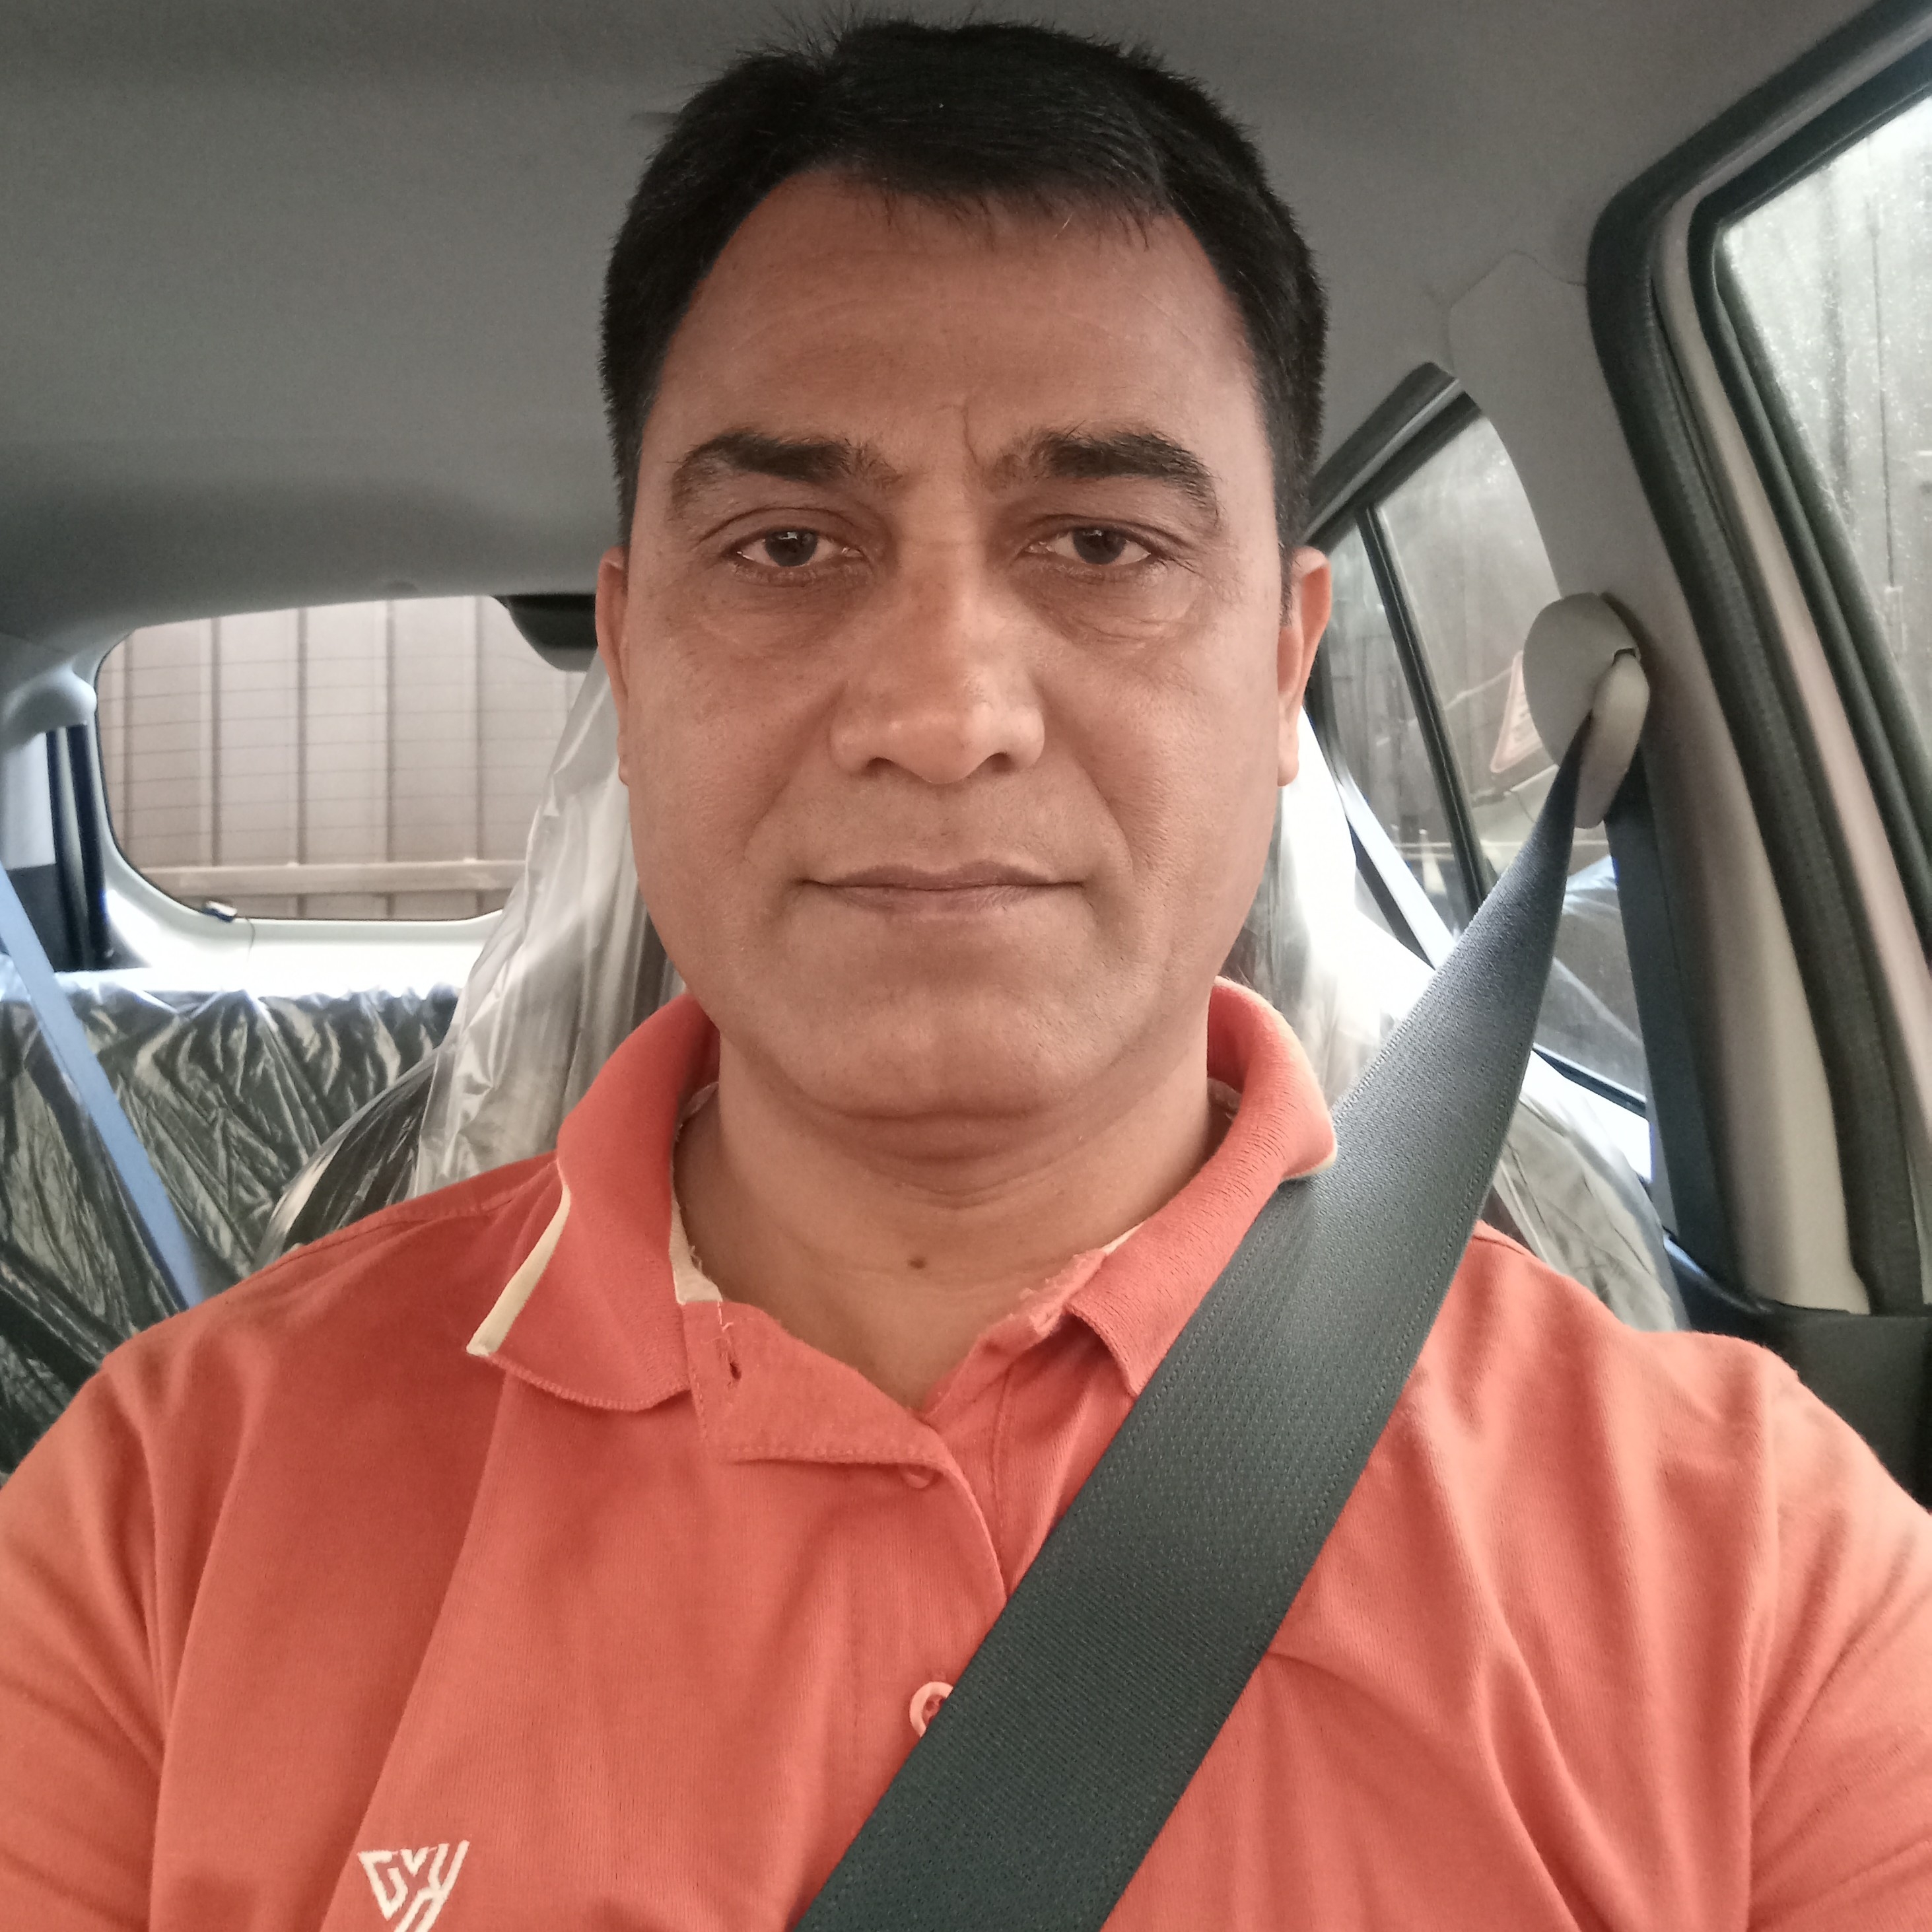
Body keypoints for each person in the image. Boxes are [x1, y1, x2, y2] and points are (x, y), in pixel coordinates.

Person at [3, 18, 1929, 1930]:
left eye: (1100, 541)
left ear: (1283, 665)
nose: (941, 715)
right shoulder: (160, 1525)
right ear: (632, 659)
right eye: (786, 547)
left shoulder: (1761, 1580)